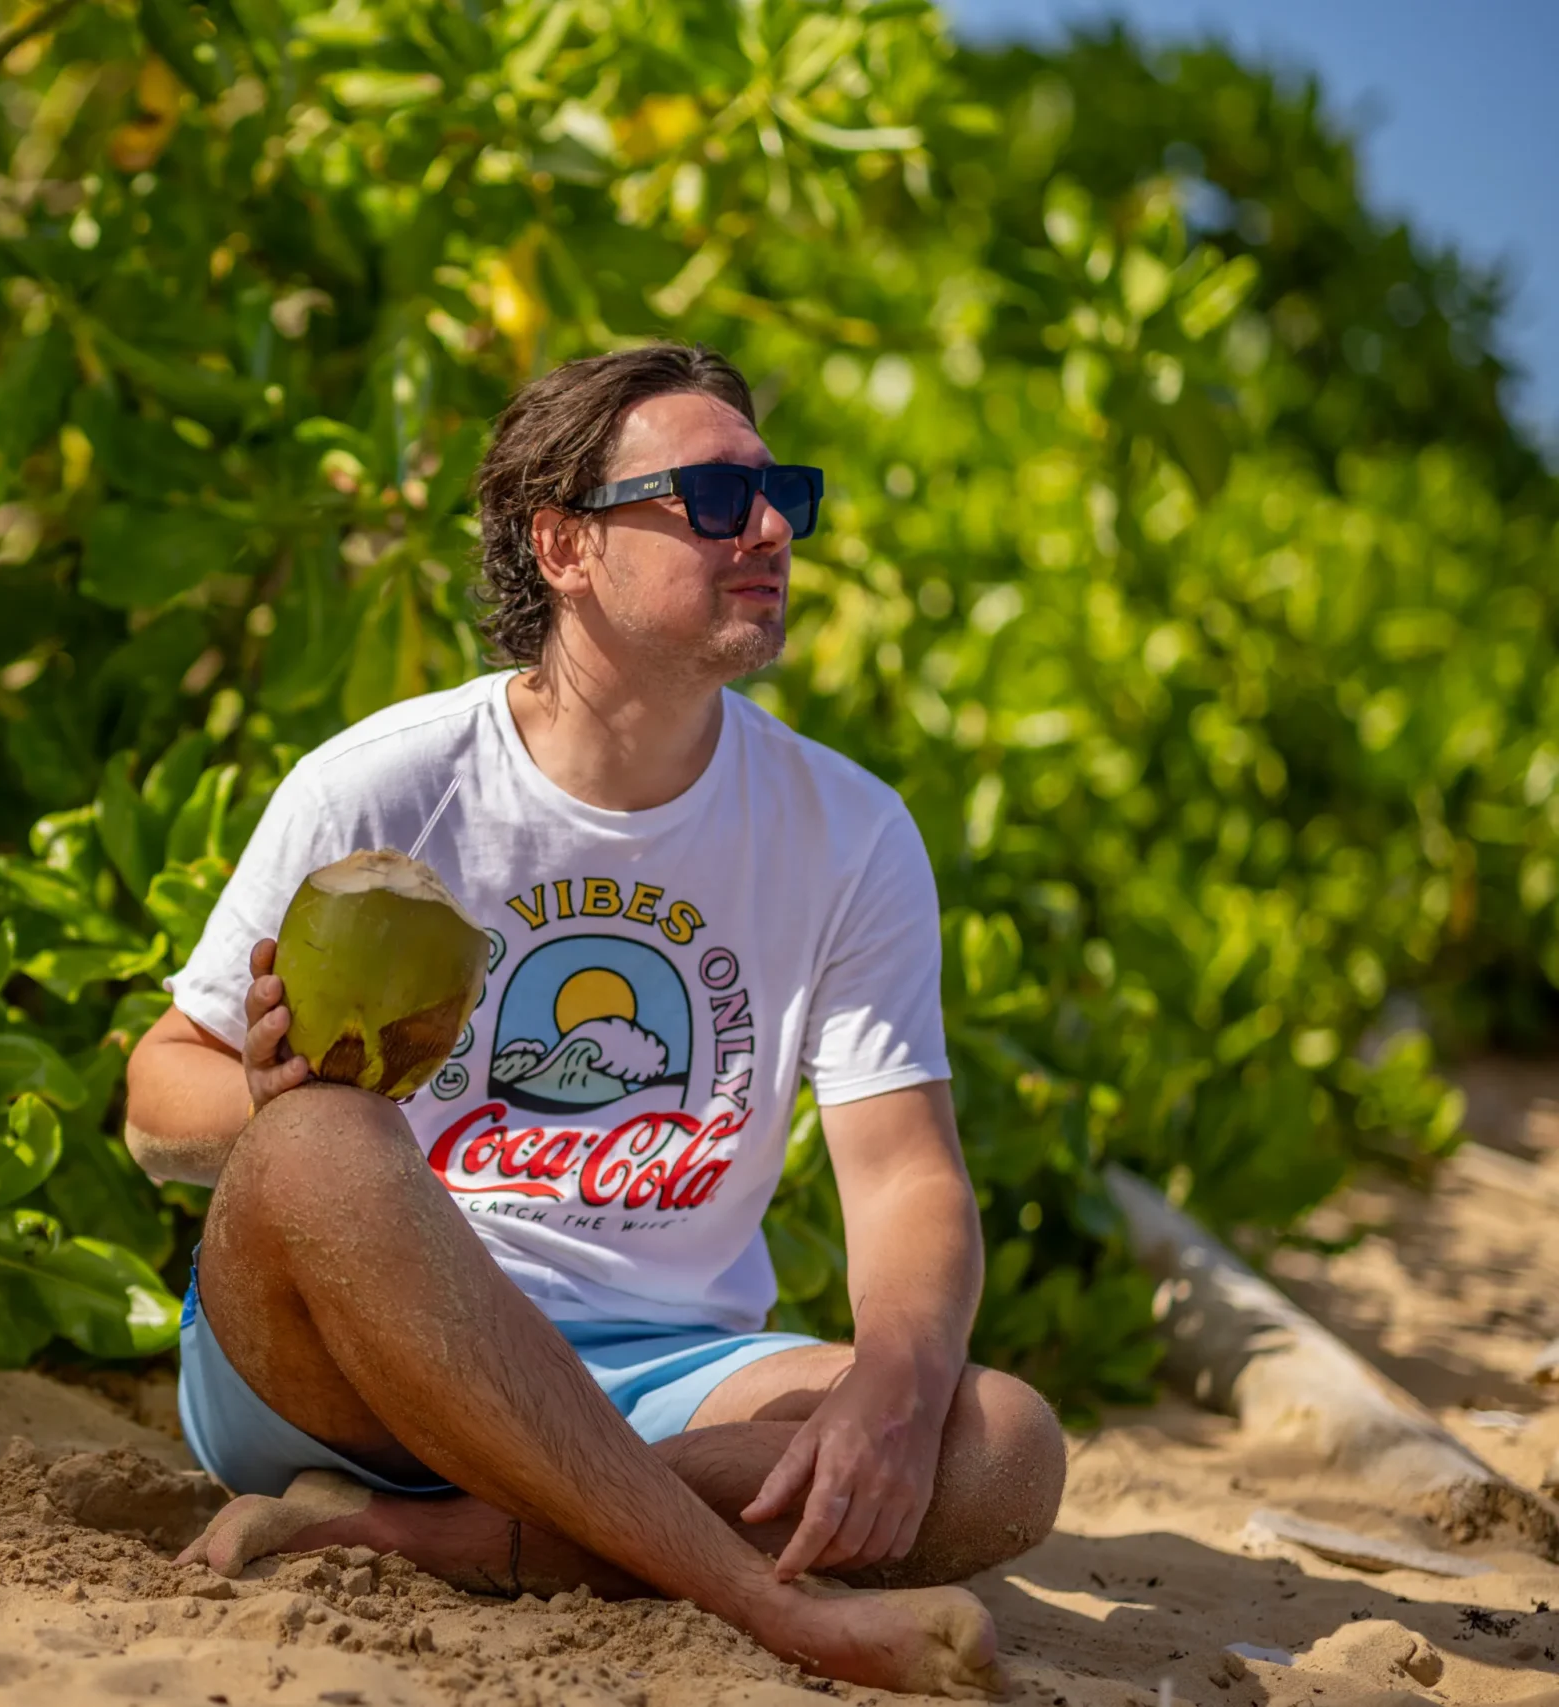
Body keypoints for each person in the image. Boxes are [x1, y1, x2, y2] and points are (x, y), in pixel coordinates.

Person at [120, 344, 1068, 1698]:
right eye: (716, 497)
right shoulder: (384, 785)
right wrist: (269, 1098)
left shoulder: (848, 829)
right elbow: (159, 1097)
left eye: (782, 490)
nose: (774, 527)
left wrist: (897, 1393)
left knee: (999, 1445)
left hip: (661, 1368)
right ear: (563, 543)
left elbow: (908, 1173)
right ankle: (765, 1600)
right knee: (327, 1139)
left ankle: (417, 1537)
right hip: (356, 1355)